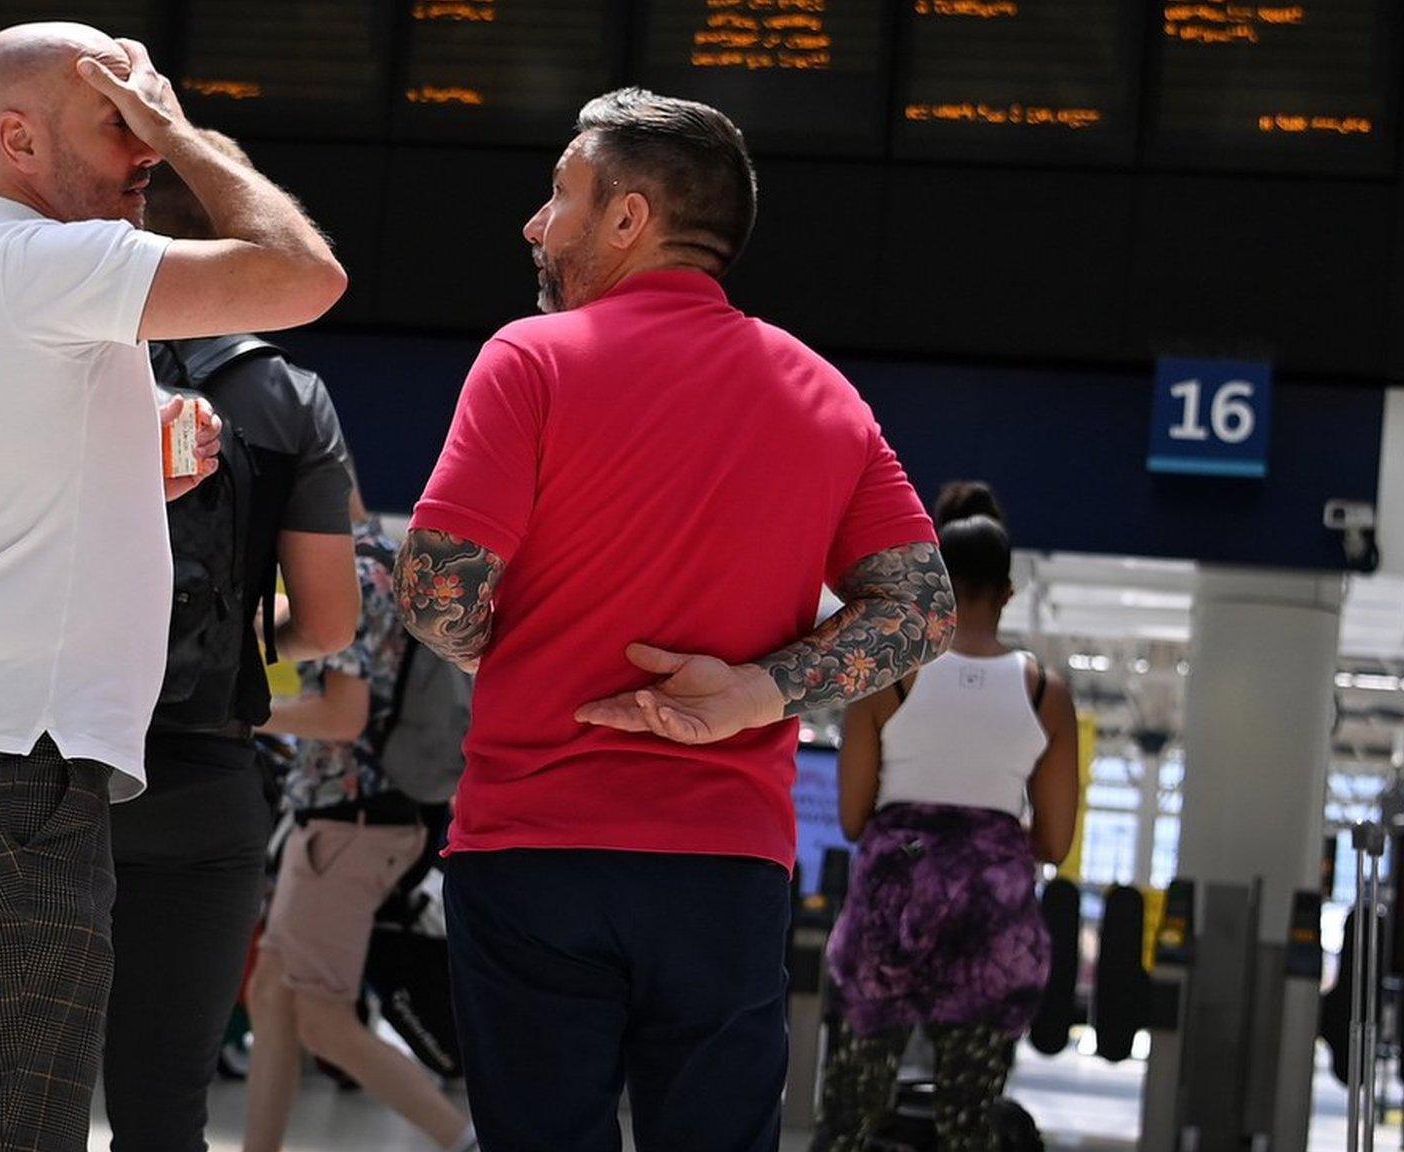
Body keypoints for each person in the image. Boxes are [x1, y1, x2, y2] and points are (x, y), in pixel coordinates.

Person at [396, 87, 952, 1150]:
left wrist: (508, 651)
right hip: (724, 865)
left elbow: (433, 592)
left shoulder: (529, 359)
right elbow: (919, 609)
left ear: (625, 218)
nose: (534, 223)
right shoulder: (822, 394)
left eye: (557, 194)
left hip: (532, 853)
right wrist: (760, 691)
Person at [0, 21, 343, 1152]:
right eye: (116, 123)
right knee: (23, 1129)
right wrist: (189, 130)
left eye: (144, 121)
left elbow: (22, 511)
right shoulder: (41, 265)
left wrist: (132, 469)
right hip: (5, 770)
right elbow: (303, 276)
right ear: (17, 139)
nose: (146, 150)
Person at [104, 131, 360, 1152]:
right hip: (205, 782)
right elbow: (331, 621)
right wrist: (245, 634)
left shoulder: (65, 352)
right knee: (162, 1105)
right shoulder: (285, 396)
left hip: (53, 773)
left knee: (7, 1079)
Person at [817, 482, 1080, 1152]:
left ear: (933, 583)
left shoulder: (887, 673)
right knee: (969, 1125)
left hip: (891, 912)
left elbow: (852, 818)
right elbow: (1053, 840)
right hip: (992, 921)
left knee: (850, 1119)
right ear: (1009, 594)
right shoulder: (1047, 694)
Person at [242, 478, 474, 1152]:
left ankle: (463, 1140)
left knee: (322, 1018)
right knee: (273, 996)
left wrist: (243, 717)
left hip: (348, 823)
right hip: (366, 819)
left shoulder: (347, 576)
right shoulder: (394, 563)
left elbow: (344, 715)